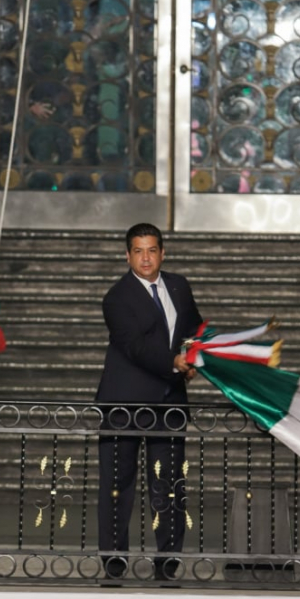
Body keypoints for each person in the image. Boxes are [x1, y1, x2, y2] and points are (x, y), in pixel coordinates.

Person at [96, 223, 203, 580]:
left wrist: (194, 360)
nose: (146, 257)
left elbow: (194, 331)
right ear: (127, 256)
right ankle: (114, 560)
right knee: (118, 485)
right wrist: (174, 363)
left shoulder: (179, 286)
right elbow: (134, 346)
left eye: (152, 250)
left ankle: (168, 561)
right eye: (138, 251)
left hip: (169, 401)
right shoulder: (116, 298)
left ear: (162, 252)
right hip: (123, 403)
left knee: (169, 484)